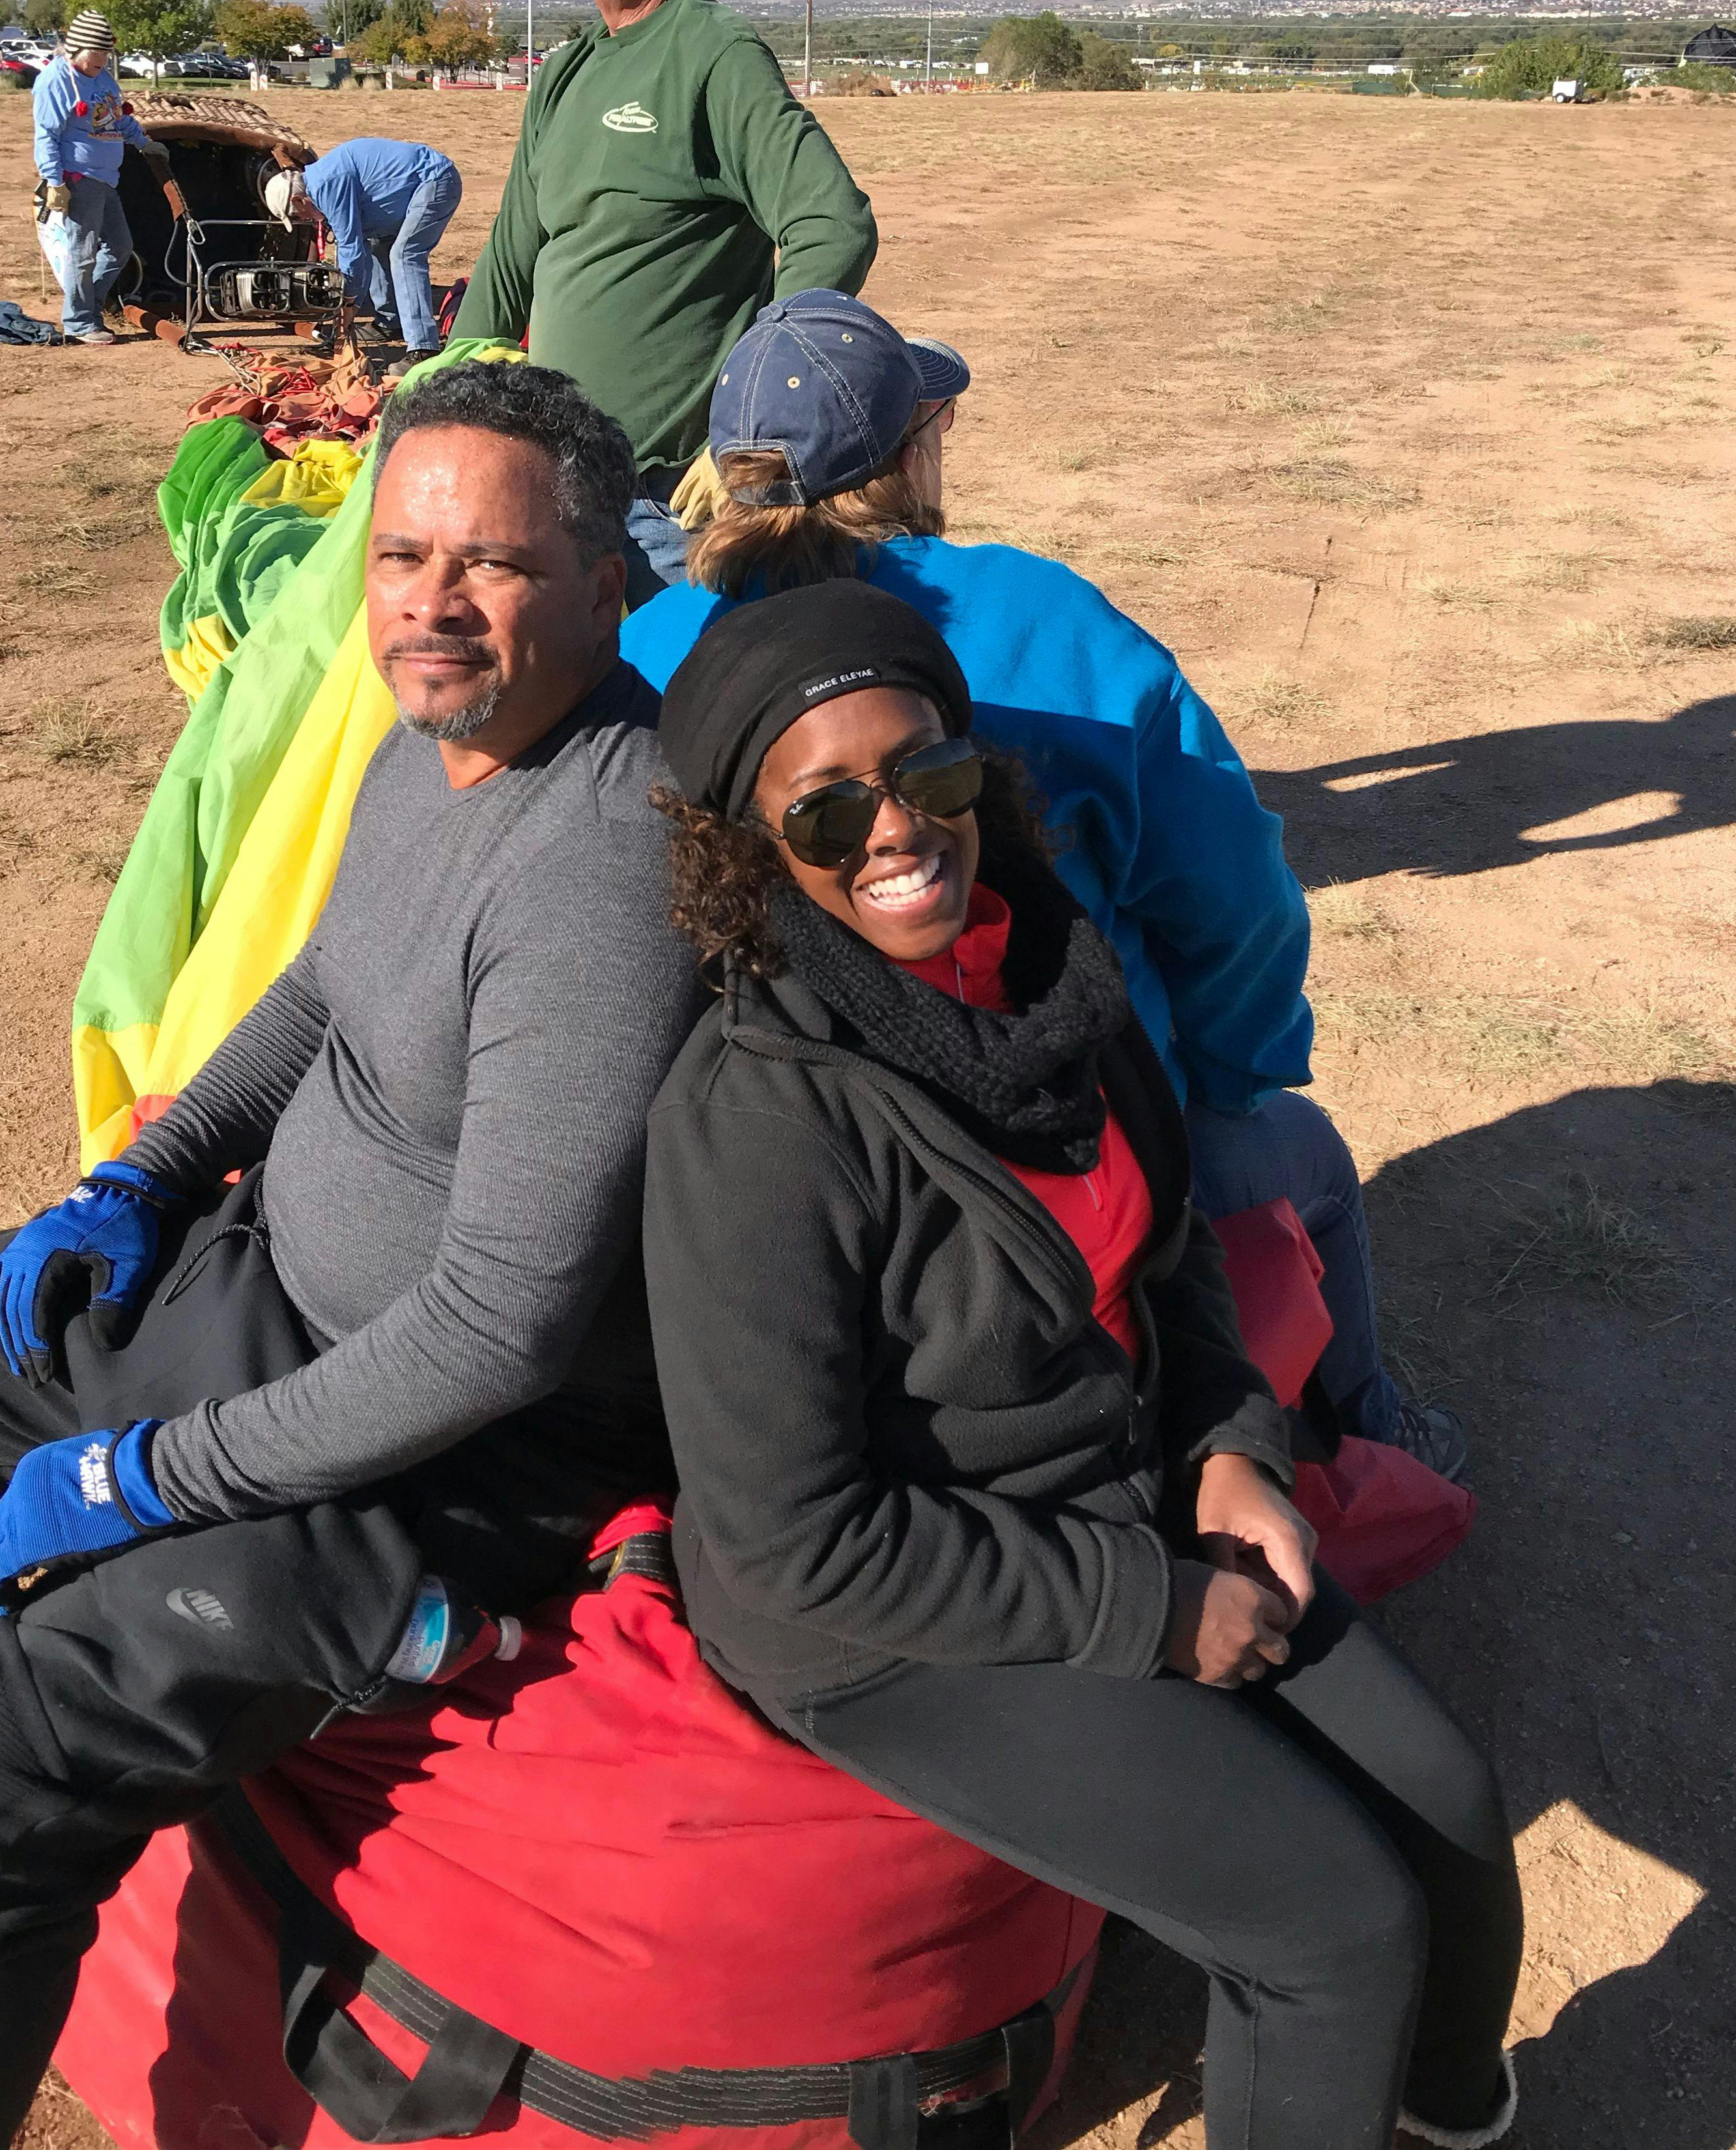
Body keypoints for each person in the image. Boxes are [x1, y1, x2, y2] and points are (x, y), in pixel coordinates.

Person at [0, 363, 702, 2150]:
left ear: (606, 583)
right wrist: (147, 1170)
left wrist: (141, 1471)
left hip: (431, 1463)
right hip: (269, 1297)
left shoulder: (597, 856)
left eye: (489, 563)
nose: (429, 599)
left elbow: (499, 1328)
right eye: (401, 552)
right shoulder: (430, 740)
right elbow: (319, 993)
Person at [641, 583, 1524, 2150]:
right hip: (896, 1612)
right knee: (1331, 1928)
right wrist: (1157, 1613)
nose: (894, 831)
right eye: (826, 809)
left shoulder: (1048, 966)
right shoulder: (761, 1117)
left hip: (1118, 1485)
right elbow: (795, 1533)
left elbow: (1171, 1245)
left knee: (1451, 1817)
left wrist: (1235, 1444)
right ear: (751, 850)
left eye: (926, 774)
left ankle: (1449, 2112)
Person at [621, 293, 1466, 1474]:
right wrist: (1219, 1076)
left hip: (784, 1185)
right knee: (1302, 1152)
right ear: (909, 452)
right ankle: (1367, 1433)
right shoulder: (1043, 621)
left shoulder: (652, 647)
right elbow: (1234, 904)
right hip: (1052, 1151)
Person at [454, 0, 878, 599]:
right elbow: (510, 264)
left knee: (684, 718)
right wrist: (435, 409)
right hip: (557, 490)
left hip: (669, 508)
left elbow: (834, 226)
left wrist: (752, 425)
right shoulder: (565, 73)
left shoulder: (714, 54)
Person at [29, 7, 171, 345]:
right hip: (79, 177)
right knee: (84, 251)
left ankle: (88, 307)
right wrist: (54, 181)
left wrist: (143, 142)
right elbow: (46, 134)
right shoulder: (55, 81)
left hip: (108, 178)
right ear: (75, 50)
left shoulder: (103, 80)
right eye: (95, 59)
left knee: (121, 247)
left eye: (105, 58)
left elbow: (117, 118)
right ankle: (79, 321)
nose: (100, 66)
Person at [262, 135, 463, 356]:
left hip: (435, 180)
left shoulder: (326, 186)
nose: (306, 221)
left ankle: (423, 348)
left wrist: (348, 306)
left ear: (298, 201)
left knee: (404, 254)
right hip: (414, 188)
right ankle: (390, 323)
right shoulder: (320, 184)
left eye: (298, 216)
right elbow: (361, 253)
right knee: (378, 244)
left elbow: (352, 251)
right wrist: (352, 304)